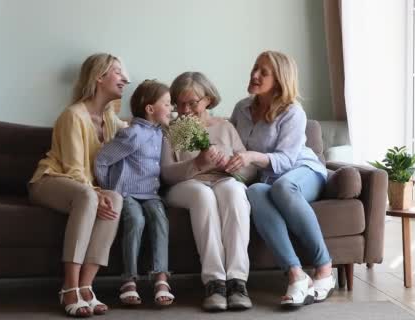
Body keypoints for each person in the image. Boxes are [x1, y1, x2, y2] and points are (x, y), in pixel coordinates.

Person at [226, 51, 335, 308]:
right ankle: (296, 275)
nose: (254, 75)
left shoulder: (293, 112)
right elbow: (232, 143)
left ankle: (325, 269)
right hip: (269, 179)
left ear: (279, 79)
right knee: (255, 191)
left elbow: (286, 161)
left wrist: (251, 155)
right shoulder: (241, 108)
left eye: (263, 72)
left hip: (303, 172)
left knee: (283, 186)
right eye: (255, 68)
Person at [28, 53, 129, 317]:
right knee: (88, 196)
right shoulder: (73, 115)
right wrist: (96, 194)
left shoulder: (110, 119)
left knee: (116, 199)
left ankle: (86, 286)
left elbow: (132, 132)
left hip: (83, 188)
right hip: (51, 181)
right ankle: (69, 287)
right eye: (118, 72)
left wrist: (165, 120)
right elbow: (74, 170)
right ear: (99, 77)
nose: (125, 79)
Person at [161, 72, 257, 311]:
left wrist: (232, 165)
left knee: (234, 191)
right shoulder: (170, 129)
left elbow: (250, 172)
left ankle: (237, 281)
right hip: (186, 186)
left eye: (192, 102)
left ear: (208, 100)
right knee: (203, 195)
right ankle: (214, 282)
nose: (184, 110)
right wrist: (197, 164)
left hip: (223, 180)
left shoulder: (226, 127)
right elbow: (166, 174)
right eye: (179, 103)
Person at [95, 79, 175, 307]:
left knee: (160, 220)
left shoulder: (161, 133)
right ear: (150, 109)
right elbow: (102, 159)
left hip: (150, 194)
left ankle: (161, 278)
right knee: (135, 220)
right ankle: (129, 279)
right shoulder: (133, 134)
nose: (172, 109)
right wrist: (109, 191)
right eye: (167, 104)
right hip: (126, 193)